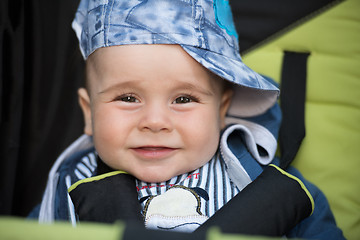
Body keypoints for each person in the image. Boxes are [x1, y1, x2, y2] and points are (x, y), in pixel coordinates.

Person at [30, 0, 345, 239]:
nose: (155, 121)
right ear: (89, 113)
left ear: (221, 111)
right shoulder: (67, 185)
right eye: (127, 98)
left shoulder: (279, 190)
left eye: (184, 99)